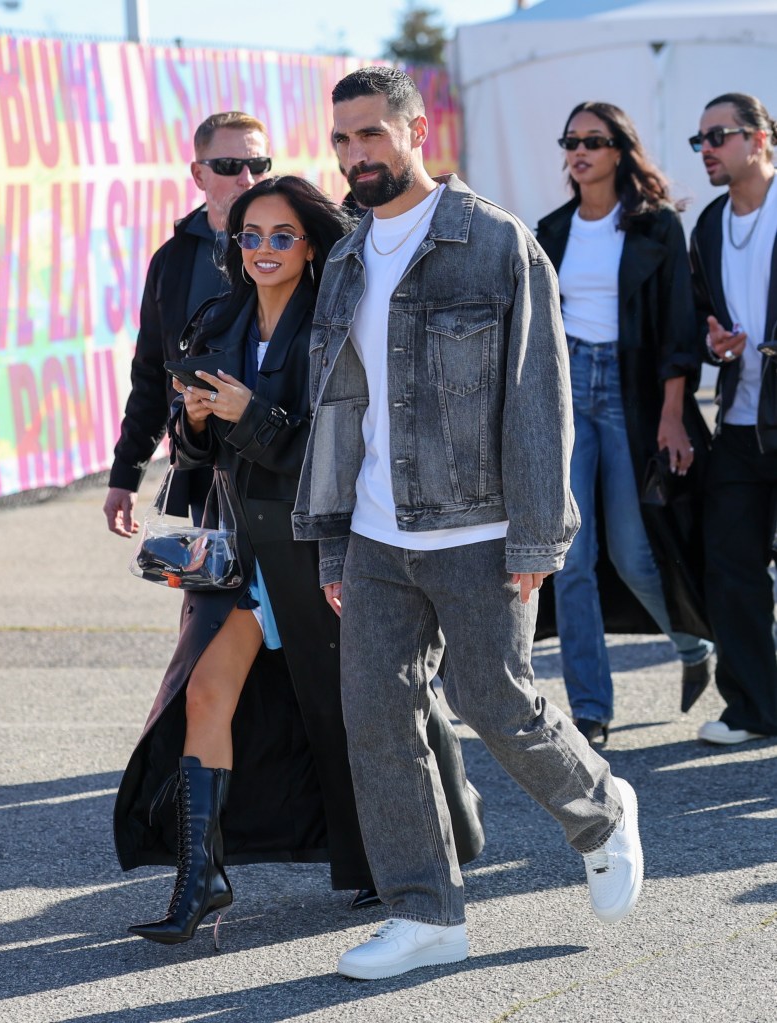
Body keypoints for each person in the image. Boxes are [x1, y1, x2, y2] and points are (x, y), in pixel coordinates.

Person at [292, 67, 644, 981]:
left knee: (495, 701)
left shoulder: (494, 242)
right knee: (376, 719)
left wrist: (536, 534)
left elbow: (539, 398)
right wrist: (334, 534)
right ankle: (426, 914)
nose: (356, 153)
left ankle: (601, 811)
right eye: (342, 139)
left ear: (414, 128)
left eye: (371, 133)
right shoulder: (344, 257)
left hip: (478, 526)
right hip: (374, 535)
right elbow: (342, 409)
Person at [113, 176, 484, 947]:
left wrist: (248, 416)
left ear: (311, 242)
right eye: (250, 236)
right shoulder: (220, 317)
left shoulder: (334, 323)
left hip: (321, 544)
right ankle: (199, 879)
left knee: (368, 706)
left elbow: (329, 445)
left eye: (281, 236)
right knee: (203, 695)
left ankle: (424, 846)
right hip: (237, 549)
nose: (263, 251)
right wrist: (193, 423)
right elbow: (196, 451)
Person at [535, 101, 714, 745]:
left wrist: (674, 416)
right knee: (573, 556)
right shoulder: (551, 230)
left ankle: (693, 643)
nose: (580, 150)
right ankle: (591, 708)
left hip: (633, 391)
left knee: (636, 555)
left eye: (594, 140)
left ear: (619, 150)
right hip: (568, 388)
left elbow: (677, 326)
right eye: (571, 139)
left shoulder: (655, 227)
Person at [103, 111, 272, 535]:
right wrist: (126, 473)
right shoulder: (173, 261)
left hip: (283, 466)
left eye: (259, 166)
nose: (247, 179)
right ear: (199, 174)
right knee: (211, 597)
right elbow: (150, 372)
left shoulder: (298, 249)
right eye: (231, 166)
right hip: (204, 468)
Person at [689, 92, 777, 745]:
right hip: (740, 420)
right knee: (729, 564)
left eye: (716, 136)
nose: (706, 150)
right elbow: (703, 314)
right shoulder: (710, 222)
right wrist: (711, 343)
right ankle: (754, 706)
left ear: (759, 137)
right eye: (700, 141)